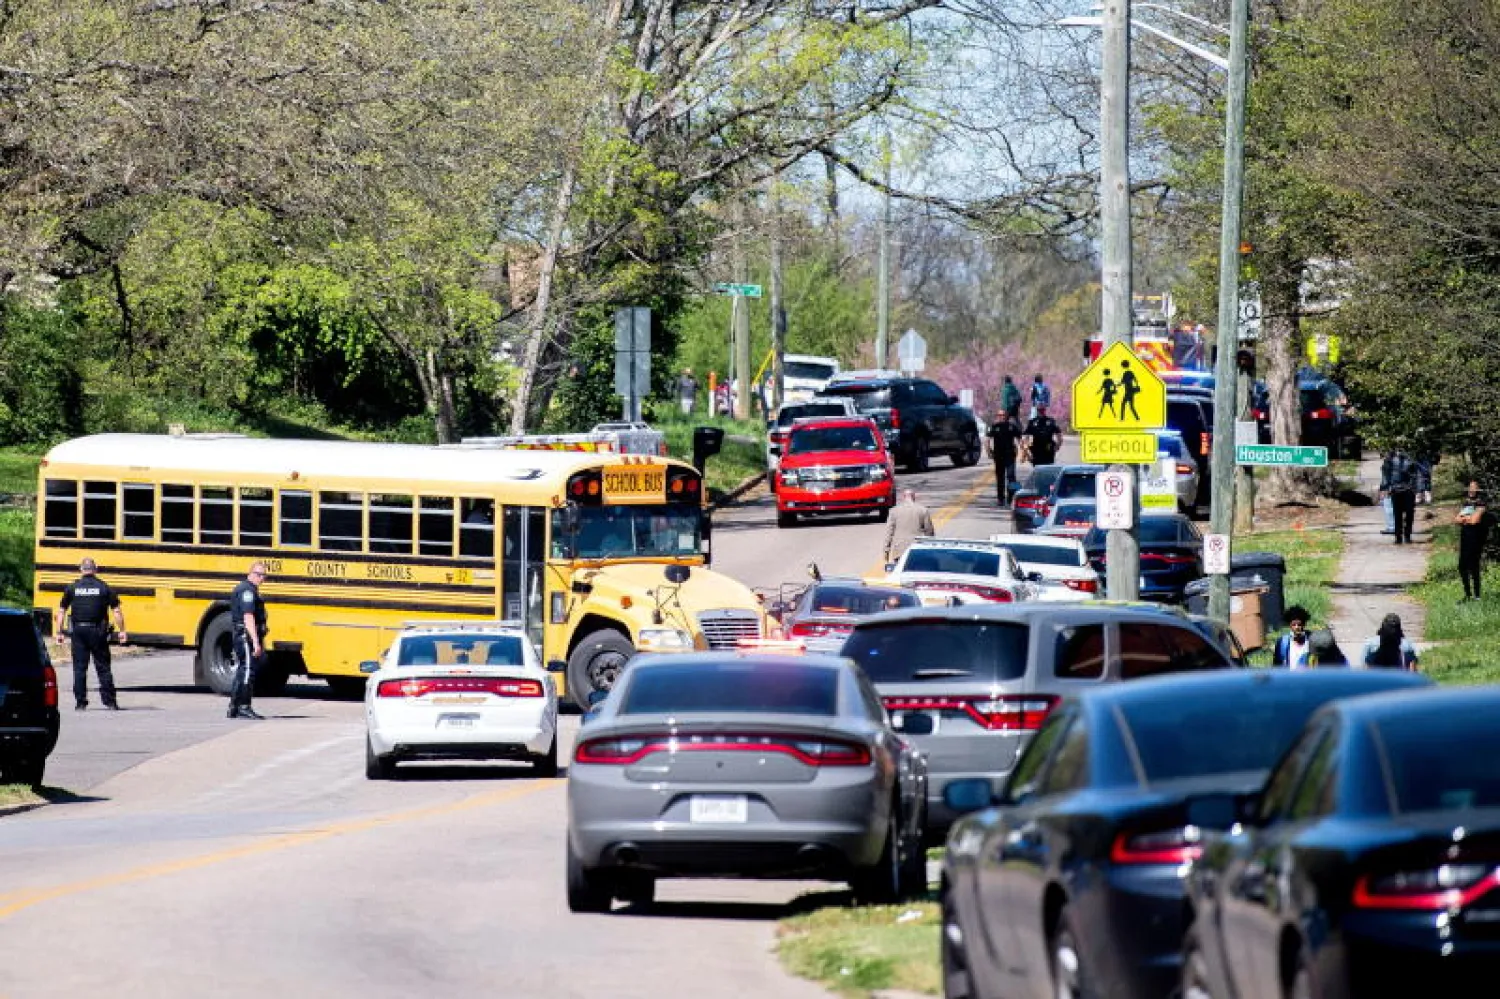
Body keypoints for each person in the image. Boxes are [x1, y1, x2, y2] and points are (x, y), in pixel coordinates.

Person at [54, 557, 127, 711]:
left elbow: (61, 611)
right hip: (98, 632)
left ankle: (80, 702)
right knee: (103, 668)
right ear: (95, 569)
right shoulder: (104, 587)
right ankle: (110, 702)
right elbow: (117, 611)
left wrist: (59, 632)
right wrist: (122, 631)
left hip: (78, 632)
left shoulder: (72, 588)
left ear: (81, 570)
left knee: (79, 668)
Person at [228, 561, 270, 720]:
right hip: (245, 635)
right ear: (250, 574)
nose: (261, 578)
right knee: (247, 670)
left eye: (263, 575)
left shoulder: (248, 589)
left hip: (242, 634)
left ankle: (234, 706)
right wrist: (256, 641)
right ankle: (244, 706)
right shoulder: (247, 591)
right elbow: (248, 616)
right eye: (258, 574)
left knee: (242, 669)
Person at [1456, 479, 1489, 602]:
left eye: (1474, 487)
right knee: (1461, 566)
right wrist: (1468, 518)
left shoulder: (1481, 503)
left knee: (1474, 566)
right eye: (1470, 487)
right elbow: (1456, 519)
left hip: (1476, 538)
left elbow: (1475, 521)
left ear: (1478, 489)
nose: (1471, 489)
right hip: (1465, 536)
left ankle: (1477, 595)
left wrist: (1466, 518)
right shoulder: (1466, 502)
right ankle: (1467, 594)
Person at [884, 488, 934, 565]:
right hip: (917, 548)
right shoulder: (923, 510)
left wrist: (886, 550)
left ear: (903, 497)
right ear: (914, 497)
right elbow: (929, 532)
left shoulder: (894, 511)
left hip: (900, 549)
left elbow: (889, 532)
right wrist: (931, 548)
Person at [1378, 448, 1418, 545]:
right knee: (1397, 513)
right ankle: (1398, 536)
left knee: (1409, 512)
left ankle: (1407, 535)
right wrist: (1385, 488)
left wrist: (1416, 488)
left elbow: (1416, 474)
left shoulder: (1411, 458)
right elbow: (1385, 474)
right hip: (1395, 489)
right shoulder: (1389, 459)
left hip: (1408, 489)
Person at [985, 411, 1022, 506]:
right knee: (1000, 478)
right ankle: (1000, 499)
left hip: (1010, 456)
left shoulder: (1012, 426)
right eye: (1000, 415)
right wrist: (988, 450)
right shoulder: (995, 427)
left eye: (1003, 415)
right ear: (998, 416)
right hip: (998, 456)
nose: (1001, 417)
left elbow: (1019, 439)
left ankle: (1011, 499)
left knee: (1011, 477)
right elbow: (988, 439)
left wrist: (1023, 451)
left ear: (1007, 416)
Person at [1272, 604, 1314, 669]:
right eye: (1294, 625)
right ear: (1290, 625)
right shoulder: (1282, 642)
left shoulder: (1312, 640)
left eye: (1299, 625)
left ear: (1304, 625)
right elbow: (1276, 666)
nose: (1297, 627)